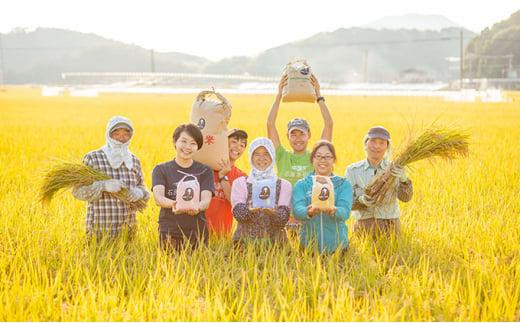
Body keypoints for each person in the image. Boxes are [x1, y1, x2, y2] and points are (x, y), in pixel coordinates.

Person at [267, 73, 333, 231]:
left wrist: (319, 95)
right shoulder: (282, 155)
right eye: (293, 134)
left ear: (309, 135)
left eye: (302, 133)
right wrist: (278, 95)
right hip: (285, 219)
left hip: (309, 219)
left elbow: (329, 124)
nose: (298, 138)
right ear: (287, 137)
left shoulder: (316, 156)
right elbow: (270, 123)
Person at [72, 116, 149, 238]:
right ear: (108, 134)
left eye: (125, 134)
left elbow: (144, 189)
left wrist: (140, 192)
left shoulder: (133, 160)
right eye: (116, 133)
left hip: (128, 232)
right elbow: (78, 191)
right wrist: (103, 186)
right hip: (99, 232)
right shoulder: (93, 158)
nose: (121, 138)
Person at [151, 124, 215, 251]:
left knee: (198, 267)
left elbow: (206, 200)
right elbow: (158, 198)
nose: (187, 147)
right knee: (169, 266)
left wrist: (197, 207)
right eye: (183, 141)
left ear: (198, 147)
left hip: (197, 231)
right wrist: (176, 205)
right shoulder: (161, 169)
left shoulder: (205, 171)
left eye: (193, 143)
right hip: (170, 230)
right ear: (175, 142)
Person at [345, 126, 413, 237]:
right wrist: (361, 201)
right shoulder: (353, 171)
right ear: (365, 144)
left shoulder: (395, 169)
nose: (376, 146)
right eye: (372, 141)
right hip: (364, 227)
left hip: (391, 226)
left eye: (382, 143)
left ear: (387, 147)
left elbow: (406, 198)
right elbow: (345, 202)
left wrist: (404, 181)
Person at [292, 140, 352, 254]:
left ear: (334, 160)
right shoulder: (303, 184)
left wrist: (334, 210)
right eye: (318, 156)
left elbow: (345, 212)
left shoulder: (343, 184)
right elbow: (297, 210)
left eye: (328, 157)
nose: (322, 160)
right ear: (312, 159)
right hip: (308, 248)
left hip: (338, 248)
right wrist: (309, 211)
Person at [231, 138, 292, 244]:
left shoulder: (284, 185)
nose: (262, 158)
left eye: (266, 154)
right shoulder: (240, 183)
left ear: (272, 156)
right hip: (244, 243)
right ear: (251, 157)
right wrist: (250, 211)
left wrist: (274, 214)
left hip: (276, 244)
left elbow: (283, 218)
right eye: (257, 154)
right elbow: (239, 214)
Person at [205, 129, 248, 237]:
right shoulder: (207, 168)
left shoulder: (241, 177)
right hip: (198, 230)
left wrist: (223, 177)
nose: (238, 147)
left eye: (242, 145)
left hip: (223, 233)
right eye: (234, 142)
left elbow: (235, 201)